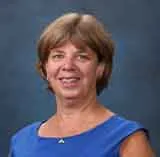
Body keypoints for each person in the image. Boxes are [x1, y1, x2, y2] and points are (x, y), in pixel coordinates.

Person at [9, 12, 154, 157]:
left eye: (81, 57)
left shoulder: (127, 139)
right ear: (45, 68)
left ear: (100, 68)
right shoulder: (21, 142)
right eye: (58, 56)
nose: (68, 66)